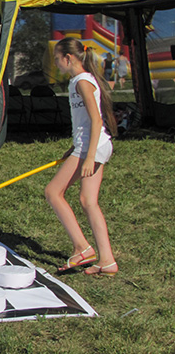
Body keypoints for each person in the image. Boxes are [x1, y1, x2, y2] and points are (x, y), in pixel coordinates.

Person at [46, 37, 118, 277]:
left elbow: (96, 120)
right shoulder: (80, 80)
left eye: (57, 59)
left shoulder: (82, 81)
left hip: (92, 147)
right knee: (88, 201)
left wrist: (88, 156)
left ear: (68, 58)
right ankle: (107, 261)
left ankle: (82, 248)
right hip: (92, 145)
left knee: (53, 192)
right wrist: (74, 146)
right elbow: (84, 123)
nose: (56, 63)